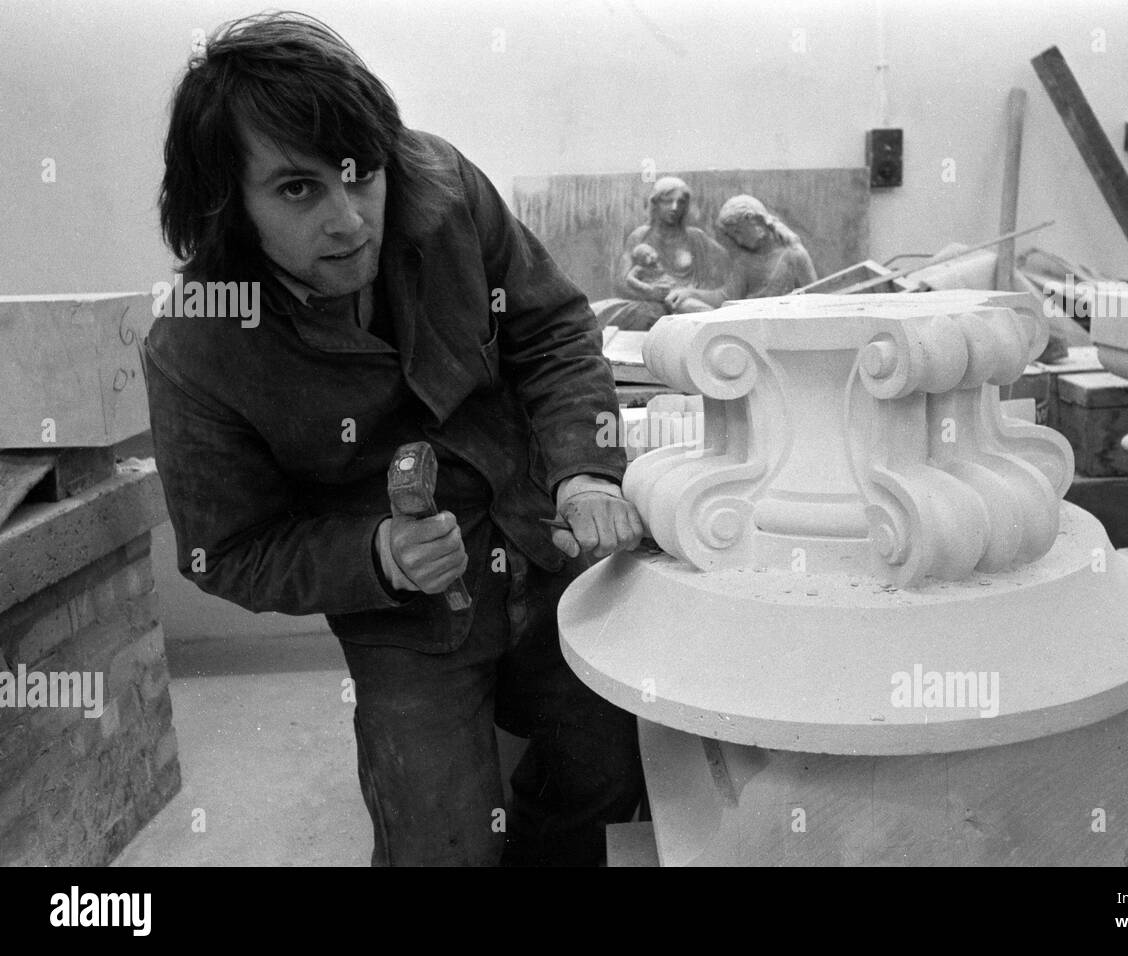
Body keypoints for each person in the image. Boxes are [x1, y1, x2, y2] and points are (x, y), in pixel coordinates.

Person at [145, 12, 645, 866]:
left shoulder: (443, 187)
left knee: (606, 776)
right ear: (229, 201)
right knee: (439, 847)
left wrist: (585, 472)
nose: (349, 221)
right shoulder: (199, 347)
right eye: (298, 189)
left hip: (542, 537)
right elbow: (224, 552)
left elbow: (554, 328)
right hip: (406, 620)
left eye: (360, 174)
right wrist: (377, 556)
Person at [592, 176, 729, 330]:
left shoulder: (696, 238)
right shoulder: (641, 236)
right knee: (598, 312)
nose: (675, 207)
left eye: (681, 202)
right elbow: (622, 281)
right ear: (655, 203)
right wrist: (651, 293)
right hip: (650, 305)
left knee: (692, 313)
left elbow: (728, 276)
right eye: (667, 201)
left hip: (684, 303)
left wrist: (690, 292)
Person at [715, 194, 817, 299]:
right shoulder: (745, 262)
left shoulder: (794, 255)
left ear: (752, 220)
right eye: (734, 237)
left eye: (738, 232)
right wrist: (696, 295)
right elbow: (726, 296)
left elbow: (815, 299)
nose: (739, 241)